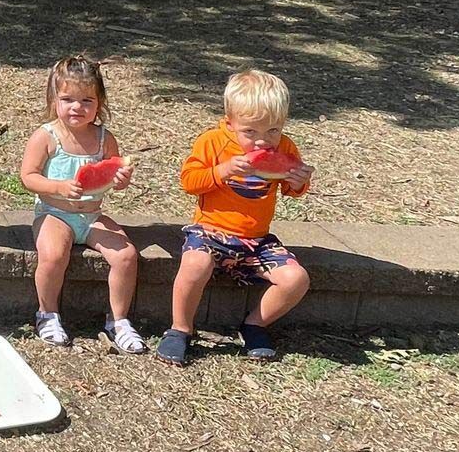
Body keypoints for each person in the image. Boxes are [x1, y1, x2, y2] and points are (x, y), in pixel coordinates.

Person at [156, 69, 313, 368]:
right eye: (250, 132)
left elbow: (293, 191)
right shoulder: (212, 142)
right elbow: (189, 182)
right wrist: (223, 171)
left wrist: (298, 180)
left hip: (257, 241)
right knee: (194, 264)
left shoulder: (286, 147)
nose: (262, 143)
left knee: (296, 279)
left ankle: (254, 325)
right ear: (230, 122)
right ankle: (180, 328)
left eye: (273, 131)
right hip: (210, 232)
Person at [17, 55, 143, 351]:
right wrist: (58, 187)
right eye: (68, 98)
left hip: (92, 216)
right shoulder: (46, 137)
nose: (77, 107)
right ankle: (47, 313)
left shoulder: (104, 139)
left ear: (100, 103)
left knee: (126, 255)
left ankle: (119, 320)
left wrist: (120, 180)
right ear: (54, 100)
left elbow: (111, 177)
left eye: (87, 100)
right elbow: (28, 177)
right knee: (52, 256)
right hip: (54, 214)